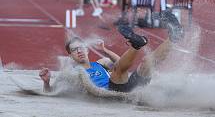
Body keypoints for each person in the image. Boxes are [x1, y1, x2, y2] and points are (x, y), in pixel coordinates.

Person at [39, 25, 172, 93]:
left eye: (81, 47)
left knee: (147, 63)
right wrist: (46, 82)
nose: (79, 51)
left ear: (87, 49)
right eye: (74, 49)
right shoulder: (71, 73)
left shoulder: (100, 63)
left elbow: (119, 62)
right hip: (113, 93)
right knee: (118, 70)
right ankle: (135, 46)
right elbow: (52, 93)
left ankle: (173, 38)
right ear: (70, 55)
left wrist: (104, 51)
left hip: (127, 87)